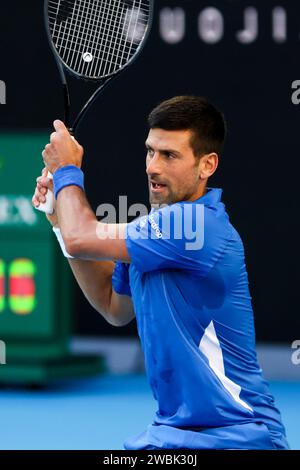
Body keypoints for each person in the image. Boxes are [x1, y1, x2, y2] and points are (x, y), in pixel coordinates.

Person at [32, 96, 289, 450]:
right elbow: (113, 305)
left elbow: (83, 238)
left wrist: (66, 172)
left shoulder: (197, 225)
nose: (153, 166)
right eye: (150, 151)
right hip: (170, 436)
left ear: (207, 165)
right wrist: (60, 220)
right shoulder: (152, 232)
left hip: (238, 434)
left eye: (169, 155)